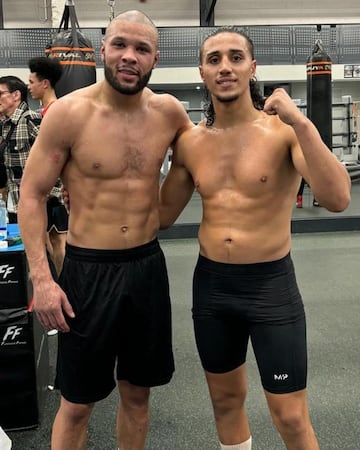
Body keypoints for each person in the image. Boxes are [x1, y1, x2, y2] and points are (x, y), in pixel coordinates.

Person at [159, 28, 351, 450]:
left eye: (234, 57)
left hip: (271, 288)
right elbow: (161, 216)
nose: (224, 67)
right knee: (225, 401)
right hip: (212, 288)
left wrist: (300, 121)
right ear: (202, 73)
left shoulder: (282, 132)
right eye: (214, 60)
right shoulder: (190, 142)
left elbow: (337, 198)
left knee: (290, 414)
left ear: (252, 67)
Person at [18, 10, 192, 450]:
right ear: (102, 49)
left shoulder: (170, 112)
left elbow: (203, 160)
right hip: (88, 270)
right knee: (77, 402)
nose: (129, 56)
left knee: (137, 394)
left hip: (146, 266)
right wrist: (42, 278)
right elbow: (32, 195)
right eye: (120, 45)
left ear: (155, 58)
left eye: (141, 48)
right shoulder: (69, 114)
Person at [28, 56, 68, 275]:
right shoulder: (40, 115)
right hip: (45, 189)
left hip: (59, 191)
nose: (29, 86)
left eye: (32, 82)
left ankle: (66, 286)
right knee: (48, 238)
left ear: (45, 83)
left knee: (60, 238)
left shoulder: (58, 111)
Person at [0, 76, 42, 223]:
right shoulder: (5, 125)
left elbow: (55, 157)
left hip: (34, 203)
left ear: (16, 95)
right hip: (13, 201)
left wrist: (52, 194)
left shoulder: (31, 118)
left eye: (0, 94)